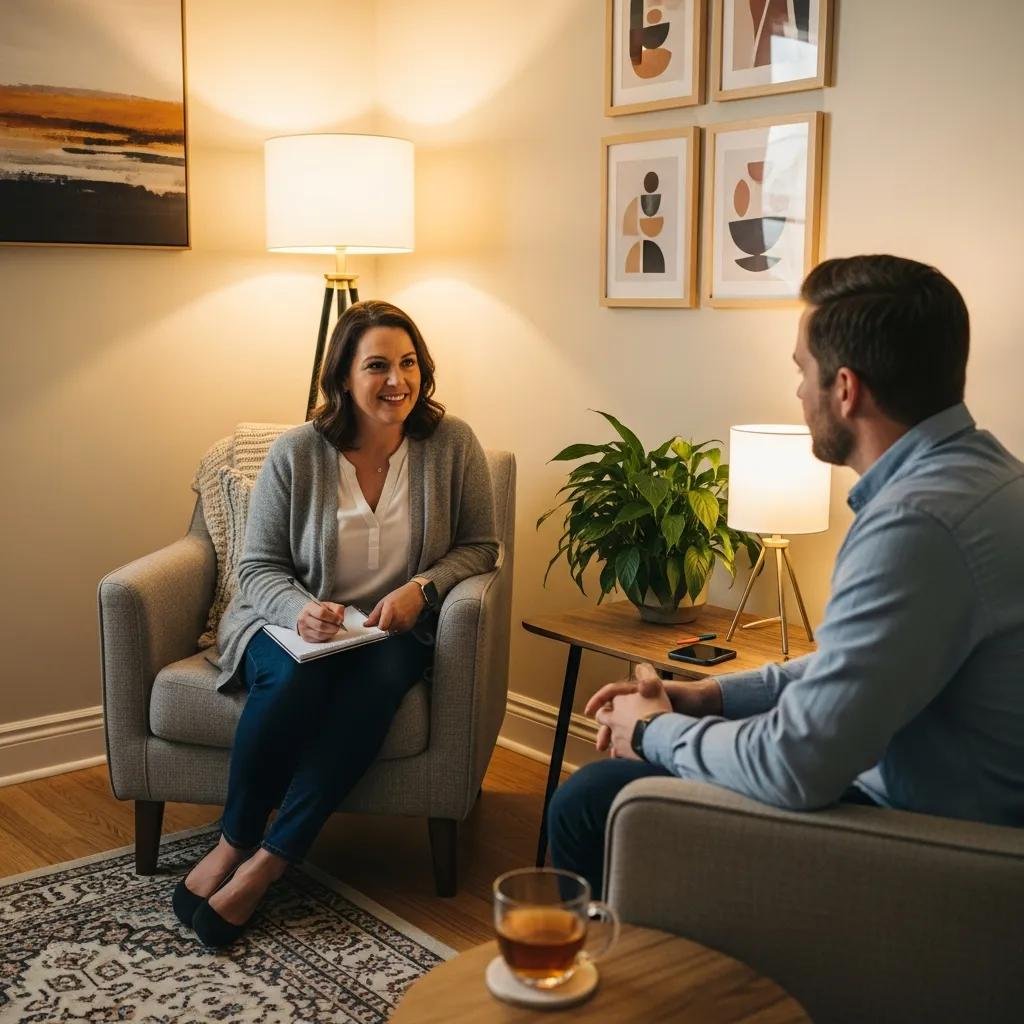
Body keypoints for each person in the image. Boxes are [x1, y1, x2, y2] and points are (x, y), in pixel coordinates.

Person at [549, 254, 1024, 898]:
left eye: (803, 370)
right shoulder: (990, 477)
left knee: (589, 802)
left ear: (846, 389)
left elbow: (795, 765)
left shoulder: (914, 526)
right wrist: (709, 696)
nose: (799, 392)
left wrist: (654, 731)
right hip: (950, 806)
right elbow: (855, 668)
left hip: (933, 849)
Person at [173, 300, 499, 946]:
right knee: (294, 684)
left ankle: (270, 861)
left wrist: (423, 590)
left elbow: (481, 546)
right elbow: (258, 567)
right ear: (343, 377)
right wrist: (301, 610)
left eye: (408, 364)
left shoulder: (451, 443)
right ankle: (234, 840)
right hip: (288, 623)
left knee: (377, 685)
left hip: (389, 630)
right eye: (377, 365)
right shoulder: (299, 452)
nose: (396, 381)